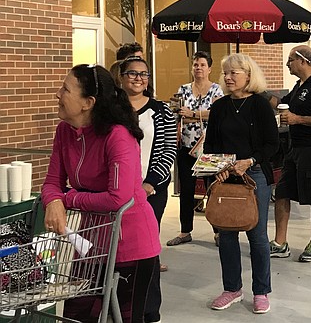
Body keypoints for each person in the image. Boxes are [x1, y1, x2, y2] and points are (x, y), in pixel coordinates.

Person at [42, 64, 161, 323]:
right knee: (76, 315)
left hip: (131, 246)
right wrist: (52, 201)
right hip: (89, 246)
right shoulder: (64, 131)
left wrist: (67, 199)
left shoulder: (117, 136)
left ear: (88, 102)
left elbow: (118, 198)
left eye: (66, 89)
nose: (58, 95)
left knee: (124, 318)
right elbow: (52, 181)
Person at [204, 54, 279, 314]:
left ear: (249, 75)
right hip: (225, 177)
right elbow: (210, 145)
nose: (228, 77)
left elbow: (273, 144)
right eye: (226, 72)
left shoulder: (260, 105)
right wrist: (217, 169)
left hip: (254, 174)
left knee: (257, 235)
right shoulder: (220, 106)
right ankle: (232, 289)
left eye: (234, 72)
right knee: (226, 234)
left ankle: (261, 291)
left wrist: (250, 160)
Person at [119, 56, 177, 323]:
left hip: (150, 192)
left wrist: (150, 184)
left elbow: (168, 151)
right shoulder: (112, 110)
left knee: (147, 251)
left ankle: (148, 310)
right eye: (132, 73)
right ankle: (119, 306)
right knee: (119, 251)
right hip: (117, 193)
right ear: (121, 76)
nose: (138, 78)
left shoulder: (161, 110)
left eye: (144, 74)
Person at [270, 45, 311, 263]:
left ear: (303, 61)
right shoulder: (299, 86)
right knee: (282, 191)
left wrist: (298, 119)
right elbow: (281, 102)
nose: (287, 64)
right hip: (294, 148)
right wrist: (258, 92)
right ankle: (280, 242)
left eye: (290, 60)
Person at [167, 51, 224, 246]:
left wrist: (192, 114)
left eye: (202, 64)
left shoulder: (217, 90)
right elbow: (177, 112)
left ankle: (218, 231)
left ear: (209, 68)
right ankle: (185, 231)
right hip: (185, 146)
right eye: (195, 65)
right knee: (186, 190)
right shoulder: (183, 89)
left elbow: (217, 114)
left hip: (208, 147)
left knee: (212, 188)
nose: (198, 68)